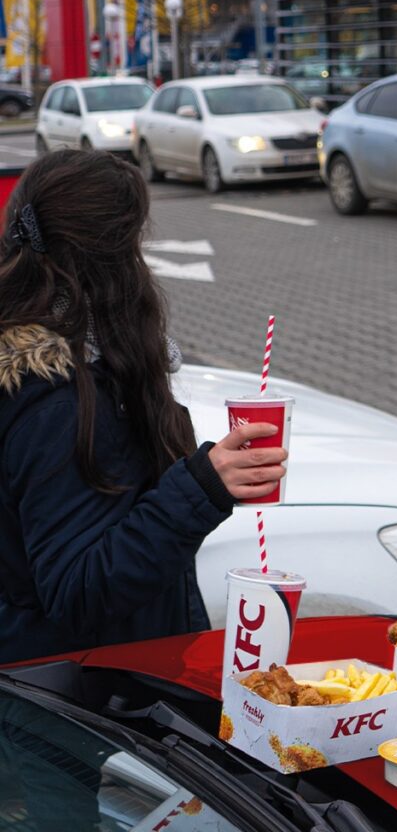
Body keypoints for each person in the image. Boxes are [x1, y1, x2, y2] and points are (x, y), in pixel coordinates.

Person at [0, 150, 286, 665]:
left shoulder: (60, 366)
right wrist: (200, 488)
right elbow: (78, 592)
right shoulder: (60, 400)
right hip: (83, 708)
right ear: (114, 261)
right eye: (136, 244)